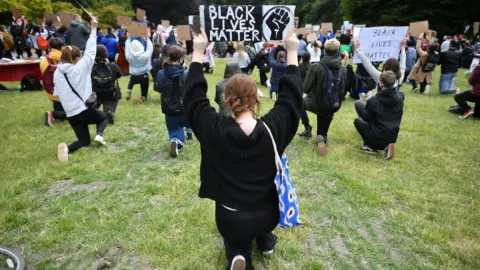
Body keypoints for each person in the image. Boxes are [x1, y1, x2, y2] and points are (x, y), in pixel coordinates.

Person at [184, 29, 302, 270]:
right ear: (256, 99)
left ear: (226, 99)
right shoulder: (274, 129)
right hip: (267, 215)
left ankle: (239, 254)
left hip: (230, 217)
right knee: (259, 228)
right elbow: (291, 100)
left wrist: (198, 53)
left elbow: (194, 98)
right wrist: (292, 52)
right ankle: (265, 241)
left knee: (236, 240)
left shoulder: (213, 128)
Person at [53, 17, 108, 163]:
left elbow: (57, 94)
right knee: (103, 117)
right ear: (77, 58)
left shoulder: (57, 72)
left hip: (71, 114)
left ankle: (66, 149)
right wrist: (94, 28)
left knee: (84, 141)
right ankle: (99, 135)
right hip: (84, 109)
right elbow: (91, 51)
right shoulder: (81, 67)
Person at [301, 39, 347, 156]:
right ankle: (322, 137)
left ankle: (307, 128)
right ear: (337, 51)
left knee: (298, 102)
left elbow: (305, 88)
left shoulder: (316, 66)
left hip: (314, 102)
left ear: (324, 51)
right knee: (322, 131)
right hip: (332, 105)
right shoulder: (343, 69)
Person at [354, 71, 404, 160]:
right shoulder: (400, 96)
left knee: (358, 121)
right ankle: (387, 145)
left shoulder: (374, 100)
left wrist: (369, 99)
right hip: (392, 135)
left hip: (377, 135)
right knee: (359, 104)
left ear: (381, 84)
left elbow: (365, 117)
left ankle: (370, 146)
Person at [155, 45, 191, 157]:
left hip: (169, 108)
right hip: (184, 108)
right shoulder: (186, 73)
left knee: (173, 129)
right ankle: (188, 132)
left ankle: (175, 141)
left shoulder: (161, 73)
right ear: (181, 58)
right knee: (188, 121)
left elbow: (158, 88)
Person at [92, 45, 122, 124]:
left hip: (95, 93)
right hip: (110, 93)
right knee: (117, 89)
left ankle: (95, 112)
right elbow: (119, 75)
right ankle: (109, 111)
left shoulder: (90, 67)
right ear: (106, 54)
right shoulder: (112, 66)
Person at [40, 37, 67, 127]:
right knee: (73, 114)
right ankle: (52, 114)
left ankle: (55, 114)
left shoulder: (44, 60)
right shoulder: (64, 58)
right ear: (62, 47)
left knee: (62, 110)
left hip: (50, 90)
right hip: (62, 91)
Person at [125, 34, 153, 103]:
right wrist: (147, 38)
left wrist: (128, 39)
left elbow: (127, 48)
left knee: (131, 82)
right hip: (143, 75)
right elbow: (150, 48)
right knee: (144, 86)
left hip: (133, 74)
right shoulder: (145, 56)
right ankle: (143, 96)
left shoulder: (128, 56)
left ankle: (129, 92)